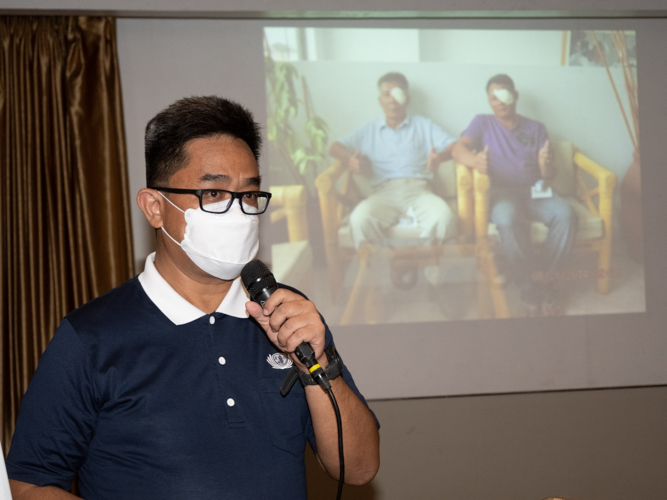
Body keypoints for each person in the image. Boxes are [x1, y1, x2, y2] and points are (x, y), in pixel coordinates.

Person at [7, 96, 380, 499]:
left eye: (249, 195)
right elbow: (28, 483)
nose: (238, 212)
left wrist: (319, 364)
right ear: (154, 207)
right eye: (214, 194)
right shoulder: (91, 337)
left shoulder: (288, 313)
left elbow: (359, 468)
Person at [453, 74, 577, 315]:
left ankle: (548, 282)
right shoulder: (482, 122)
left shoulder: (537, 127)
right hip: (501, 192)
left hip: (536, 189)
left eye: (505, 95)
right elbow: (458, 149)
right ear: (489, 101)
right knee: (507, 219)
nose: (500, 102)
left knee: (566, 214)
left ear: (515, 96)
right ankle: (528, 284)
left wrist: (545, 165)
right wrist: (474, 161)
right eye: (494, 98)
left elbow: (549, 174)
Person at [329, 72, 458, 252]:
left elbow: (454, 145)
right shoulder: (369, 130)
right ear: (380, 100)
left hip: (419, 191)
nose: (392, 100)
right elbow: (334, 147)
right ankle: (388, 265)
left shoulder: (423, 125)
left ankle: (426, 268)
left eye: (397, 94)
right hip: (384, 192)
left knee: (444, 218)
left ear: (407, 99)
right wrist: (348, 159)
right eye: (386, 95)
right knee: (359, 220)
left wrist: (440, 157)